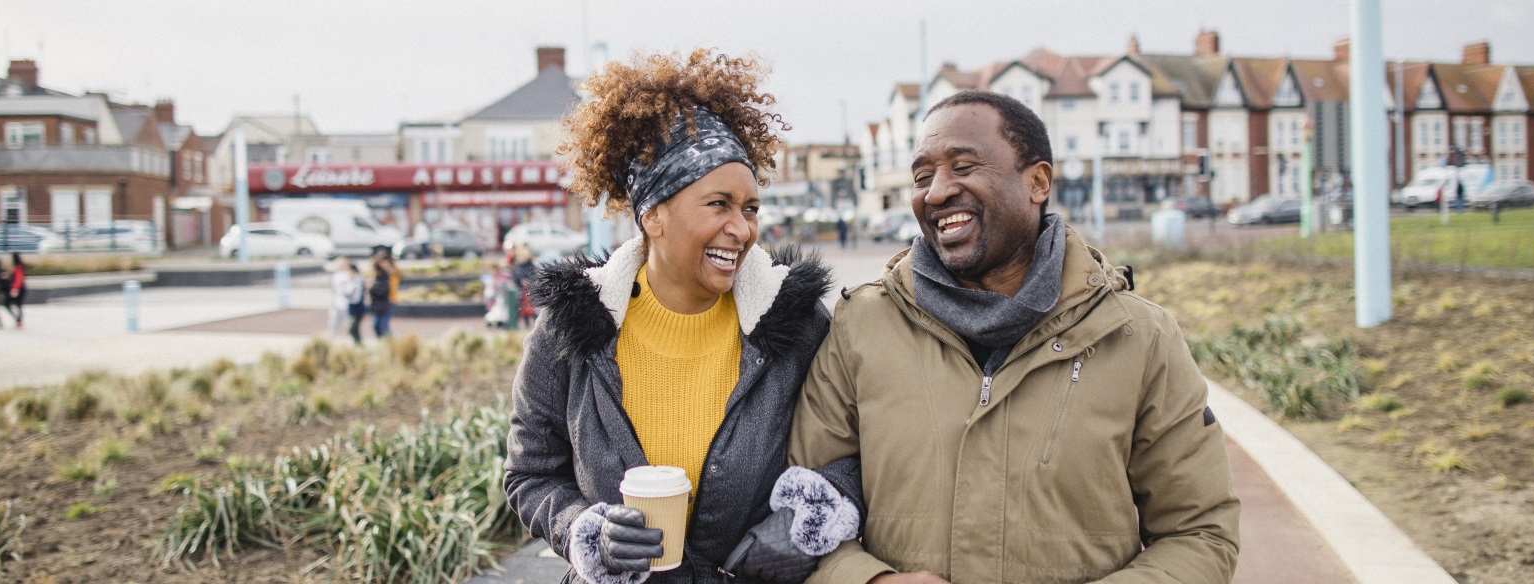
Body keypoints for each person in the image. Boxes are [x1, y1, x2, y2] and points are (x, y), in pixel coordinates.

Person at [790, 90, 1241, 584]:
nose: (936, 192)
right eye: (923, 177)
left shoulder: (1139, 337)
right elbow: (804, 499)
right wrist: (868, 580)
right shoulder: (861, 325)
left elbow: (1199, 532)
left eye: (963, 167)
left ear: (1038, 182)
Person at [505, 49, 861, 584]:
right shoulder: (571, 329)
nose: (741, 229)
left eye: (750, 208)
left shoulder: (796, 324)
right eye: (718, 204)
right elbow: (530, 474)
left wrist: (803, 521)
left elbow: (855, 448)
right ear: (653, 215)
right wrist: (585, 530)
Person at [329, 257, 367, 344]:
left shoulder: (352, 276)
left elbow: (353, 292)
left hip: (348, 305)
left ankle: (355, 343)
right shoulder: (336, 275)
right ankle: (331, 341)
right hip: (337, 303)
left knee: (350, 326)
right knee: (334, 324)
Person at [367, 246, 398, 339]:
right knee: (377, 325)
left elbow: (390, 287)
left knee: (384, 326)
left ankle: (389, 342)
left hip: (388, 301)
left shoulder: (390, 274)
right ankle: (382, 342)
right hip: (377, 303)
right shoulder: (376, 275)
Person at [509, 241, 538, 328]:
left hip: (530, 291)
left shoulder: (531, 265)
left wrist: (529, 281)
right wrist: (520, 282)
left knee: (532, 310)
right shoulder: (516, 266)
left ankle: (536, 325)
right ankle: (526, 325)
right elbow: (515, 277)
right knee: (524, 310)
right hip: (521, 291)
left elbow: (535, 275)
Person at [4, 252, 28, 329]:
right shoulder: (17, 267)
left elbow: (18, 279)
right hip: (17, 288)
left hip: (18, 289)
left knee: (12, 304)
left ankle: (18, 320)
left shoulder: (18, 267)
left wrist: (15, 289)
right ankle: (18, 319)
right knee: (17, 305)